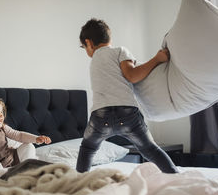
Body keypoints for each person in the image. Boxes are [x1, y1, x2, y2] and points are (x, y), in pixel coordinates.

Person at [76, 18, 178, 174]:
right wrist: (157, 59)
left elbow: (131, 76)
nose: (86, 52)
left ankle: (79, 181)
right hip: (127, 114)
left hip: (100, 117)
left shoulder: (95, 59)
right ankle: (174, 175)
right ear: (109, 38)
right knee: (150, 149)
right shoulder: (119, 51)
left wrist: (155, 59)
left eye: (84, 47)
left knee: (88, 148)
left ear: (89, 43)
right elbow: (132, 75)